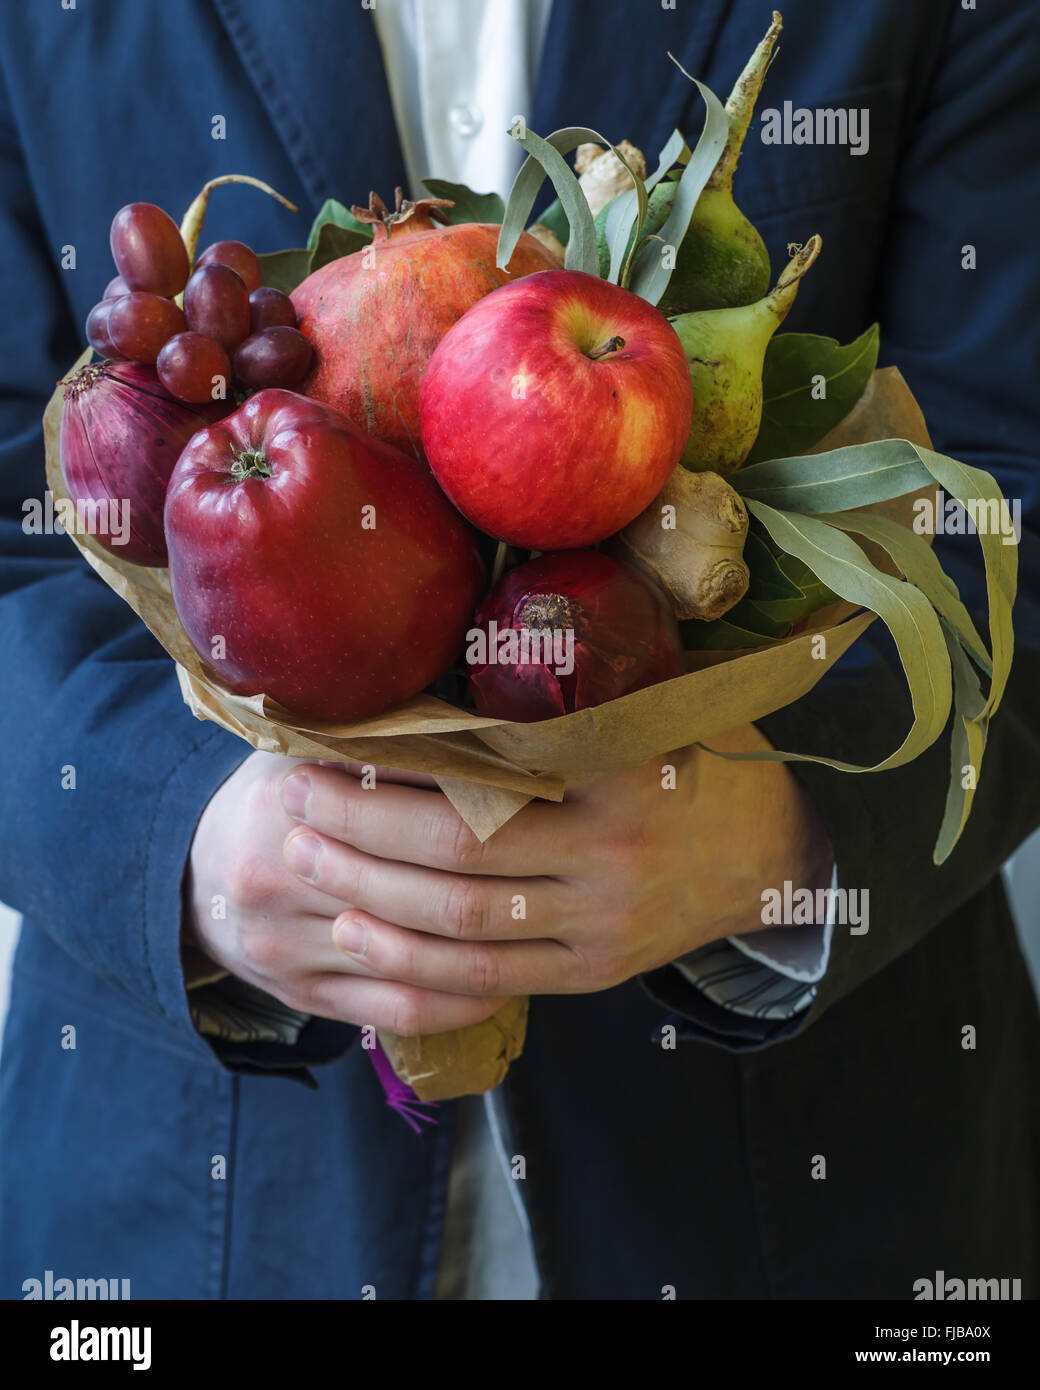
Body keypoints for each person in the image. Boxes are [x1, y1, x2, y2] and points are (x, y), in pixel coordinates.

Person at [0, 0, 1037, 1301]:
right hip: (186, 1222)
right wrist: (175, 838)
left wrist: (785, 845)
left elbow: (1007, 479)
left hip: (809, 1201)